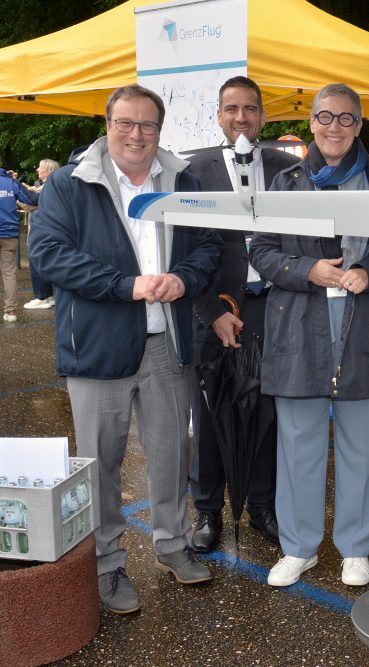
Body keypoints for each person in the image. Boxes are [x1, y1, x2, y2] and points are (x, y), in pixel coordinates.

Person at [29, 85, 222, 614]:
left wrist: (182, 280)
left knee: (168, 455)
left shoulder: (183, 181)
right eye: (126, 123)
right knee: (101, 464)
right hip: (96, 345)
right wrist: (127, 285)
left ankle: (172, 546)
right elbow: (48, 256)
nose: (137, 134)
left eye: (147, 125)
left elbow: (209, 246)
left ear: (160, 129)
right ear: (107, 124)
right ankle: (108, 566)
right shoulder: (70, 184)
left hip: (166, 342)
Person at [250, 83, 369, 588]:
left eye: (346, 119)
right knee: (298, 444)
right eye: (325, 117)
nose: (335, 127)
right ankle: (299, 547)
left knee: (362, 446)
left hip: (364, 326)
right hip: (300, 328)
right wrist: (307, 270)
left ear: (360, 125)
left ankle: (356, 547)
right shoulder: (285, 181)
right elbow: (261, 248)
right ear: (312, 123)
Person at [187, 76, 299, 552]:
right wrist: (210, 309)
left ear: (263, 117)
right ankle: (208, 511)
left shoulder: (286, 168)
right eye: (231, 109)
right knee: (211, 414)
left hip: (272, 309)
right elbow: (183, 249)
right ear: (218, 115)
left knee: (266, 414)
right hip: (215, 310)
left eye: (250, 109)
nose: (241, 118)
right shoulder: (192, 170)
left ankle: (262, 505)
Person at [0, 161, 38, 322]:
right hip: (9, 233)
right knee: (9, 272)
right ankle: (11, 312)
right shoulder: (10, 182)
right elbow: (31, 200)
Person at [22, 159, 59, 310]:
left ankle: (42, 297)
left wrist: (15, 189)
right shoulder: (50, 186)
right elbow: (33, 190)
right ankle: (47, 296)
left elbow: (30, 202)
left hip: (40, 231)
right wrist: (20, 185)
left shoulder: (48, 187)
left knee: (36, 263)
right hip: (46, 230)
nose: (37, 170)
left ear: (48, 171)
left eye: (40, 168)